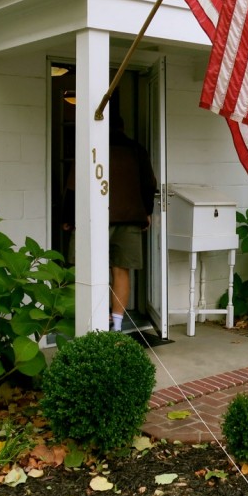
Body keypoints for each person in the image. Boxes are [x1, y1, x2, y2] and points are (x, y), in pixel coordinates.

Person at [63, 113, 157, 332]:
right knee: (121, 271)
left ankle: (90, 322)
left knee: (85, 270)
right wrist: (146, 212)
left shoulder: (89, 148)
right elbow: (148, 184)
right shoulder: (136, 150)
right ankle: (116, 323)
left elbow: (73, 185)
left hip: (92, 218)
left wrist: (68, 217)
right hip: (129, 217)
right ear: (122, 127)